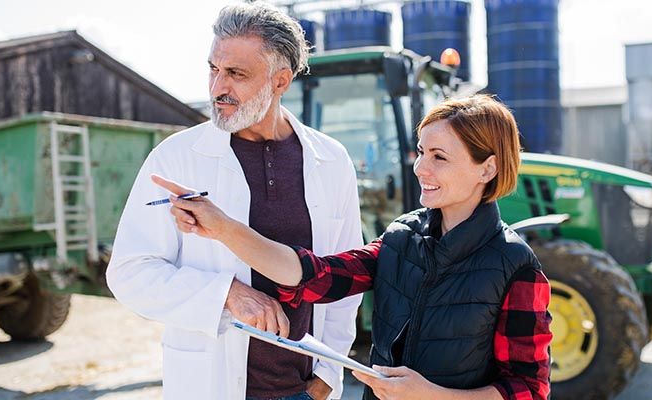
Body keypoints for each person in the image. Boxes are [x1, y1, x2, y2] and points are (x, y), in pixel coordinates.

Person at [156, 95, 553, 400]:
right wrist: (223, 228)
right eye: (420, 151)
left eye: (439, 157)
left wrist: (432, 395)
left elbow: (528, 390)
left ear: (488, 168)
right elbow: (315, 277)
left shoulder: (515, 266)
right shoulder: (401, 238)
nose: (420, 168)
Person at [106, 3, 364, 400]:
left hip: (302, 389)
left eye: (235, 74)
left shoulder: (331, 160)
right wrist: (225, 293)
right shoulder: (177, 157)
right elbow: (129, 273)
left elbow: (347, 277)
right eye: (213, 69)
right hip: (210, 385)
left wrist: (329, 372)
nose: (217, 88)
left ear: (280, 81)